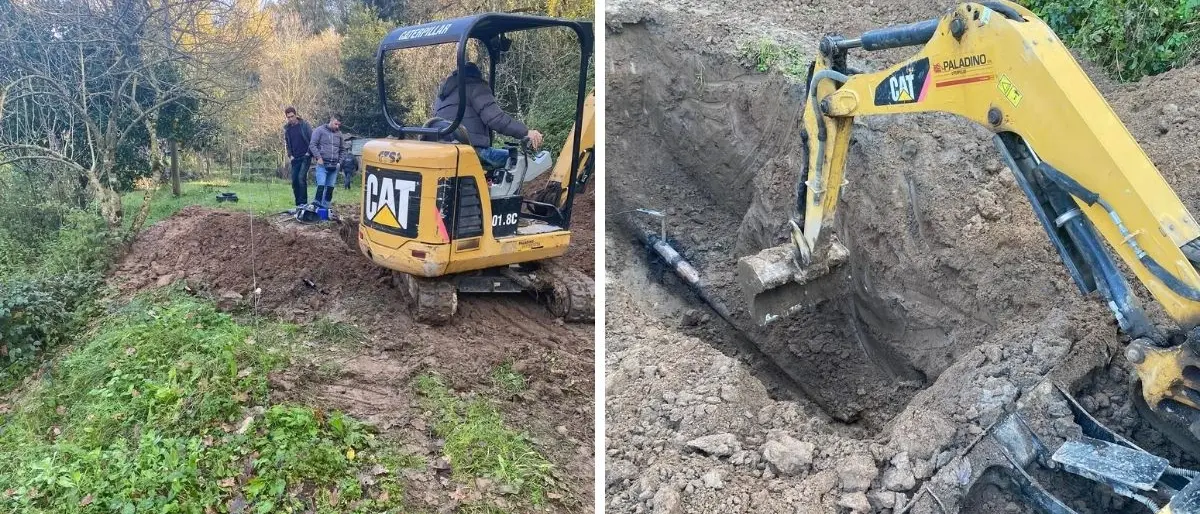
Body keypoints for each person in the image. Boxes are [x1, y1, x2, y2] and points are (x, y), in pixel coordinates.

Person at [432, 62, 544, 168]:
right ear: (476, 74)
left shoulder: (443, 95)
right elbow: (496, 119)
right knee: (520, 161)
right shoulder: (476, 86)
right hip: (472, 151)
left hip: (444, 150)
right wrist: (526, 132)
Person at [308, 114, 344, 208]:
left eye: (339, 125)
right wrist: (318, 157)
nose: (337, 126)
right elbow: (312, 145)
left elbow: (342, 149)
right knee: (321, 185)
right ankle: (316, 206)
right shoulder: (319, 130)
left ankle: (326, 207)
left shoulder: (339, 134)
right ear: (331, 120)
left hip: (334, 165)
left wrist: (339, 162)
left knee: (330, 187)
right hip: (322, 164)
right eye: (336, 124)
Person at [282, 106, 312, 208]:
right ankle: (298, 204)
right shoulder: (287, 129)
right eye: (288, 117)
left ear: (296, 115)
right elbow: (287, 144)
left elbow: (312, 140)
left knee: (301, 178)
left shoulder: (304, 125)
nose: (290, 119)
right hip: (295, 158)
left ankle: (304, 203)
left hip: (305, 156)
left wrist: (309, 153)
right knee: (294, 181)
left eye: (292, 116)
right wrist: (290, 155)